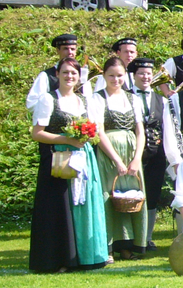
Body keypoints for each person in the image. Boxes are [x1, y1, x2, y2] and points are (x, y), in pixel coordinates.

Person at [29, 57, 109, 272]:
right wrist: (67, 140)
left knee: (83, 206)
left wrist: (86, 137)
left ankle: (85, 256)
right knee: (60, 208)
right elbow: (37, 133)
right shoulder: (48, 99)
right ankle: (59, 259)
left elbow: (95, 130)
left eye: (73, 73)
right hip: (58, 159)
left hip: (83, 158)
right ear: (57, 74)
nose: (69, 76)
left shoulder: (84, 100)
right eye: (65, 72)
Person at [91, 57, 148, 261]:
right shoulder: (98, 98)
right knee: (109, 197)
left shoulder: (133, 99)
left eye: (120, 75)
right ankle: (108, 247)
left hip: (131, 153)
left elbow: (140, 131)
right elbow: (99, 132)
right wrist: (117, 160)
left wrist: (136, 158)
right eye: (111, 76)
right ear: (104, 76)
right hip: (109, 155)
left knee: (131, 197)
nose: (116, 79)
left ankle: (127, 246)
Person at [128, 57, 167, 250]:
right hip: (131, 154)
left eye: (149, 73)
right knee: (130, 195)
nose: (145, 77)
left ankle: (147, 237)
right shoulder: (126, 97)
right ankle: (129, 237)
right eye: (141, 73)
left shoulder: (162, 100)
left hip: (156, 155)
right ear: (134, 76)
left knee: (152, 195)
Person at [26, 33, 88, 110]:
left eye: (72, 49)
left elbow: (88, 101)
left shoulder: (82, 75)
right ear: (58, 50)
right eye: (65, 49)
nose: (70, 52)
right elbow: (32, 103)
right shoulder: (46, 76)